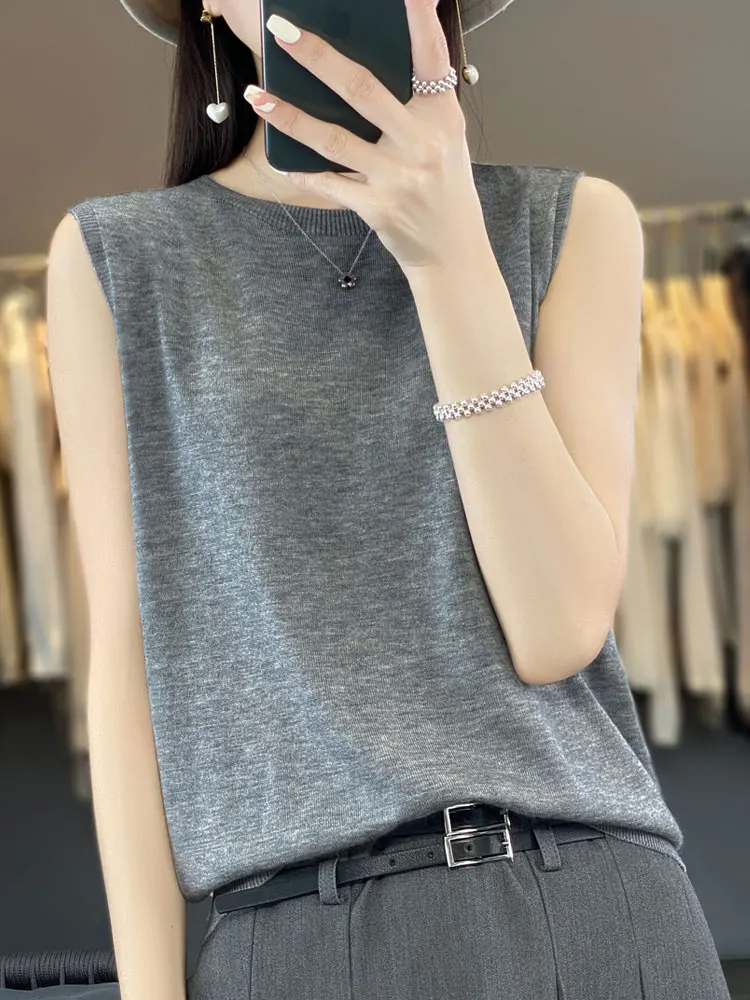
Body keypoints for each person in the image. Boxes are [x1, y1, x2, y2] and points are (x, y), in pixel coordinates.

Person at [44, 0, 732, 997]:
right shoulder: (118, 259)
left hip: (586, 904)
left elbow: (557, 629)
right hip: (292, 937)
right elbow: (127, 660)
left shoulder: (573, 223)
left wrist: (446, 251)